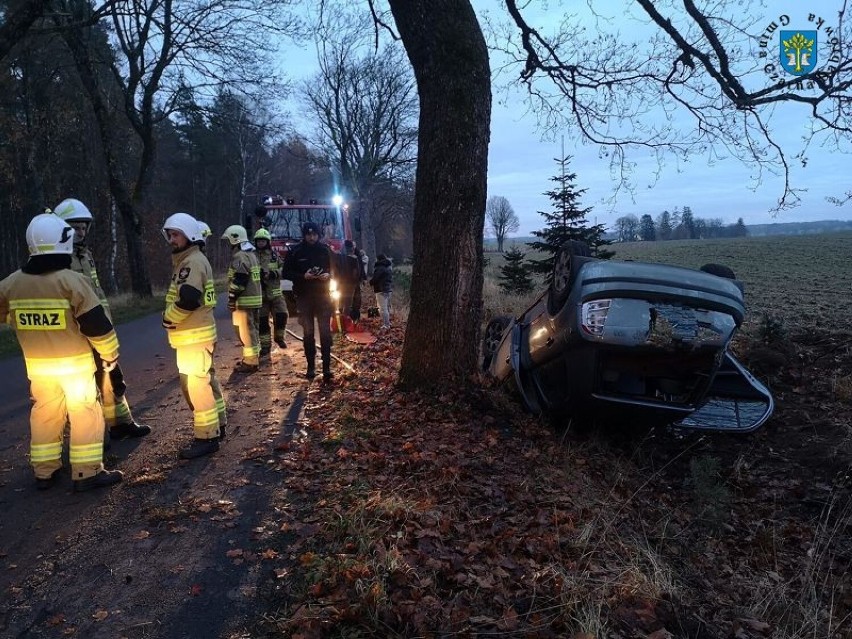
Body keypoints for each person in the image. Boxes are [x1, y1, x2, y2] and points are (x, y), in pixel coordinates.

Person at [0, 213, 124, 491]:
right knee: (85, 413)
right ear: (63, 243)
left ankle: (44, 471)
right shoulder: (71, 282)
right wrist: (110, 354)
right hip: (75, 367)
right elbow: (97, 325)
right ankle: (87, 472)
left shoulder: (10, 284)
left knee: (45, 413)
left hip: (39, 370)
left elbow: (5, 314)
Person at [52, 198, 150, 441]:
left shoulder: (85, 255)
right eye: (75, 227)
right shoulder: (58, 259)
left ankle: (121, 423)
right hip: (76, 336)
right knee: (82, 391)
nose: (80, 232)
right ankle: (90, 438)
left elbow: (95, 292)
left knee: (112, 378)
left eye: (83, 227)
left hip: (97, 330)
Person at [162, 212, 225, 459]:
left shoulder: (192, 262)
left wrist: (168, 318)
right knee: (203, 383)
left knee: (198, 387)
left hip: (194, 337)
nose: (171, 239)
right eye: (169, 235)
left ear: (190, 235)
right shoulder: (189, 260)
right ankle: (216, 428)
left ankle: (207, 437)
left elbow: (188, 299)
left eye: (175, 234)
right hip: (194, 336)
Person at [281, 221, 335, 382]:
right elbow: (286, 272)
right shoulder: (295, 252)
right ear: (304, 235)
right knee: (308, 333)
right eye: (309, 234)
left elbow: (336, 269)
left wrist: (328, 275)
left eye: (314, 234)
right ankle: (311, 366)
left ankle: (327, 367)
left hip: (323, 296)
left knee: (325, 332)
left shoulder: (325, 251)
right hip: (304, 297)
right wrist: (303, 276)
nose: (312, 237)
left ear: (318, 235)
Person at [221, 225, 263, 373]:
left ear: (234, 239)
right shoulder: (252, 254)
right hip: (255, 300)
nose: (228, 244)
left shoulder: (240, 256)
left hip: (244, 301)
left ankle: (250, 362)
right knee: (253, 330)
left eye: (229, 241)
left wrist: (232, 298)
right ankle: (253, 357)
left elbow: (240, 280)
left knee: (245, 331)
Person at [253, 228, 288, 355]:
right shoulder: (252, 255)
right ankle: (266, 346)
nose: (261, 243)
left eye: (263, 241)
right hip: (260, 295)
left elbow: (283, 269)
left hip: (275, 293)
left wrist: (273, 274)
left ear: (268, 242)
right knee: (262, 322)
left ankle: (279, 338)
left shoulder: (274, 255)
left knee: (282, 315)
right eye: (259, 241)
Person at [338, 239, 363, 323]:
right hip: (349, 283)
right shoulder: (354, 258)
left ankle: (344, 319)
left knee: (345, 301)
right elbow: (357, 272)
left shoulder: (340, 257)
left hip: (344, 282)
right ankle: (346, 320)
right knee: (349, 302)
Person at [370, 254, 393, 330]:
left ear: (378, 259)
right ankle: (388, 322)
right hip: (388, 289)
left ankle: (386, 325)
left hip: (381, 289)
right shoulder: (388, 267)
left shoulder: (380, 268)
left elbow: (375, 278)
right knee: (387, 307)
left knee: (382, 308)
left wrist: (371, 282)